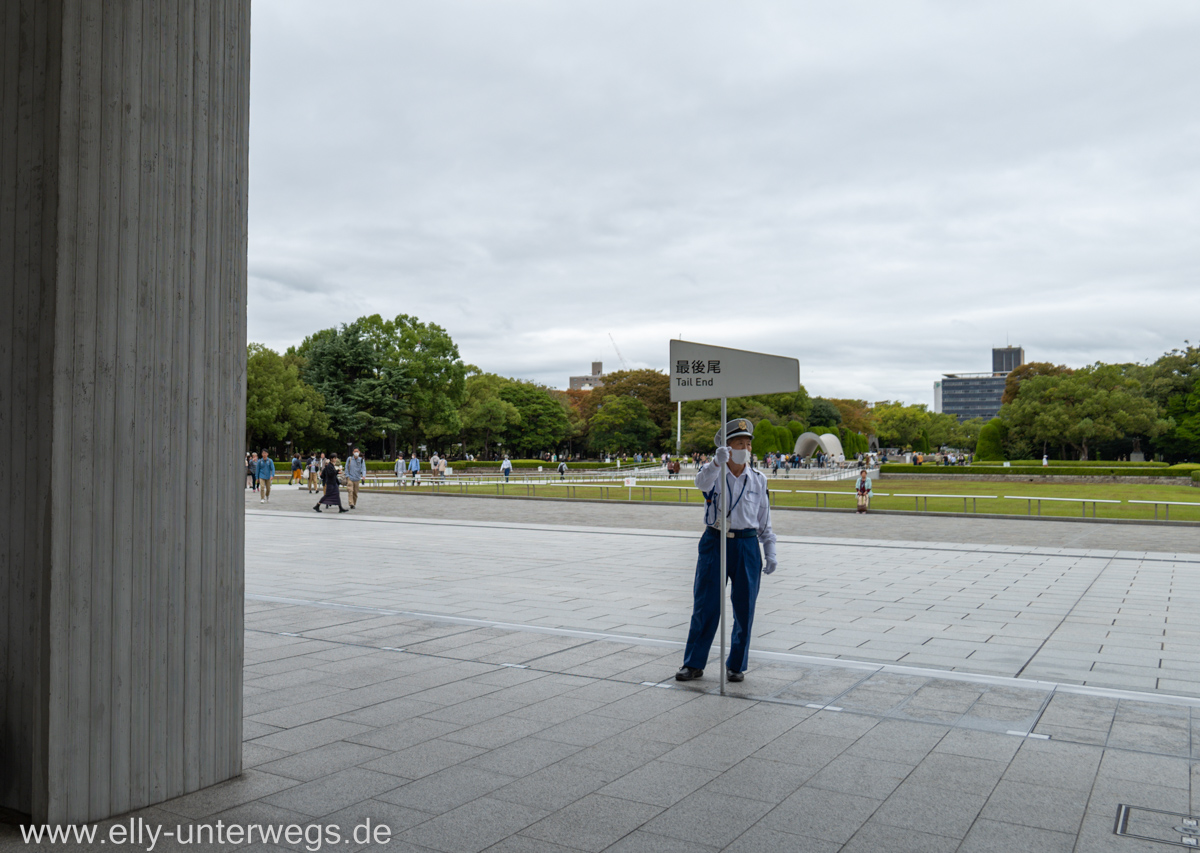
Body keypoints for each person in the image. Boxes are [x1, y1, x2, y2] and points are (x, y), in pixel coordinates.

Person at [676, 419, 777, 684]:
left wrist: (770, 549)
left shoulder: (758, 479)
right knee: (705, 606)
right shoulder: (714, 474)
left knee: (745, 608)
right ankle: (694, 663)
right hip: (715, 542)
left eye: (748, 444)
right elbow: (700, 482)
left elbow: (764, 519)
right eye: (739, 444)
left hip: (746, 544)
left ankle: (736, 665)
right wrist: (715, 463)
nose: (745, 448)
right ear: (727, 448)